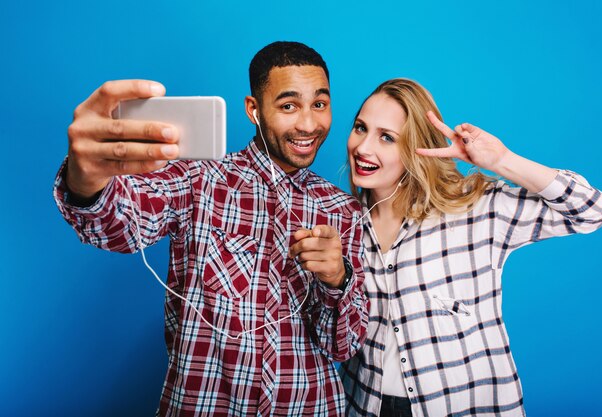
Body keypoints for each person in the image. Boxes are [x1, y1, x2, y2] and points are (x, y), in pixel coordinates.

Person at [53, 41, 368, 417]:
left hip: (310, 407)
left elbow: (343, 347)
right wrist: (85, 179)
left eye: (319, 104)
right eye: (288, 105)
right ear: (254, 110)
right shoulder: (198, 178)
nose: (308, 124)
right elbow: (116, 225)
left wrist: (338, 279)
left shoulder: (343, 209)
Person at [339, 78, 602, 417]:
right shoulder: (340, 224)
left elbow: (595, 210)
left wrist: (502, 160)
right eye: (360, 128)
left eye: (386, 137)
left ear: (418, 147)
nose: (363, 147)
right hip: (364, 405)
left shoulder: (476, 209)